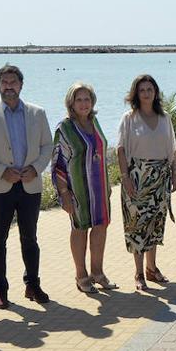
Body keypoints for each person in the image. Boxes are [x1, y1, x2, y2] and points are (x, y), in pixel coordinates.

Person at [0, 64, 54, 308]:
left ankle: (32, 284)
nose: (9, 86)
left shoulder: (37, 113)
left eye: (13, 82)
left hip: (30, 184)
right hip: (0, 186)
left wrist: (36, 168)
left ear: (21, 85)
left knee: (29, 238)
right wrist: (2, 171)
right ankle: (0, 289)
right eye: (4, 82)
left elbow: (47, 146)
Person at [53, 82, 115, 294]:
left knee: (100, 227)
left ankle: (97, 272)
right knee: (79, 229)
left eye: (87, 99)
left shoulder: (94, 122)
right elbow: (58, 164)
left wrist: (107, 185)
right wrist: (64, 194)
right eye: (79, 99)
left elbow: (101, 152)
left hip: (99, 187)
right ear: (71, 102)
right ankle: (81, 275)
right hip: (78, 189)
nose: (83, 103)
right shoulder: (65, 128)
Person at [117, 74, 176, 292]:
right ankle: (139, 272)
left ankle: (152, 269)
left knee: (155, 224)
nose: (146, 93)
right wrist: (125, 178)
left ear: (155, 92)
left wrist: (173, 172)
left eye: (149, 89)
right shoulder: (129, 118)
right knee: (137, 225)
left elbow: (172, 147)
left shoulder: (165, 117)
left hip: (160, 177)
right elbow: (121, 149)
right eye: (142, 90)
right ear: (136, 93)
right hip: (137, 177)